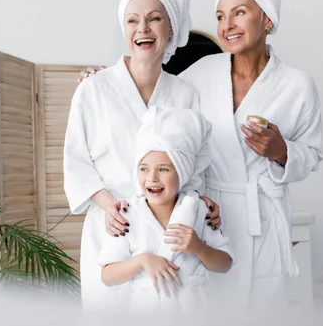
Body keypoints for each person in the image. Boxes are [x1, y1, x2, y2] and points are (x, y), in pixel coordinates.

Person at [79, 0, 323, 307]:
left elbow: (311, 155)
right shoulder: (198, 76)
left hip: (263, 216)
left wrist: (283, 151)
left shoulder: (298, 85)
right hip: (211, 216)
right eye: (221, 16)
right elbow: (154, 100)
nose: (227, 25)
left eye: (240, 13)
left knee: (265, 320)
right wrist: (103, 78)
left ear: (267, 19)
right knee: (217, 324)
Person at [63, 0, 220, 312]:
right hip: (113, 232)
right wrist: (108, 206)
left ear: (171, 27)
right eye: (132, 21)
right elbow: (76, 163)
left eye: (154, 19)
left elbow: (195, 170)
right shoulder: (93, 89)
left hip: (165, 236)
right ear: (124, 29)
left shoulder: (185, 94)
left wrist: (201, 205)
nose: (142, 29)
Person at [98, 106, 233, 314]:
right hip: (147, 321)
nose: (152, 178)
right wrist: (143, 260)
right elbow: (107, 276)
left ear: (183, 171)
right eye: (144, 169)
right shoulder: (127, 214)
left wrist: (198, 247)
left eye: (163, 169)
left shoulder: (199, 209)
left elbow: (225, 264)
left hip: (196, 318)